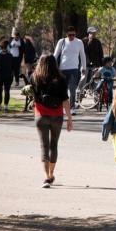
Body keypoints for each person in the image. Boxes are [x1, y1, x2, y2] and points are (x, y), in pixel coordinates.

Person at [30, 54, 73, 188]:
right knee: (54, 145)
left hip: (40, 115)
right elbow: (65, 100)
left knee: (44, 146)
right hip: (56, 116)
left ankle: (46, 176)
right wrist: (69, 118)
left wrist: (35, 114)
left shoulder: (35, 77)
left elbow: (34, 98)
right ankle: (51, 173)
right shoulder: (61, 79)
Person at [53, 26, 87, 113]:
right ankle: (63, 107)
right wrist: (51, 65)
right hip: (63, 69)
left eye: (73, 35)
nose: (71, 36)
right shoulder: (62, 42)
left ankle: (72, 108)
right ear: (66, 34)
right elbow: (55, 54)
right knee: (63, 90)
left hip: (74, 69)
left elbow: (82, 55)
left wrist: (84, 67)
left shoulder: (79, 42)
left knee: (72, 89)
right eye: (70, 35)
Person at [0, 39, 14, 112]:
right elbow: (13, 67)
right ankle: (6, 106)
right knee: (7, 90)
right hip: (8, 75)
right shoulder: (10, 56)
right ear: (7, 47)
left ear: (0, 47)